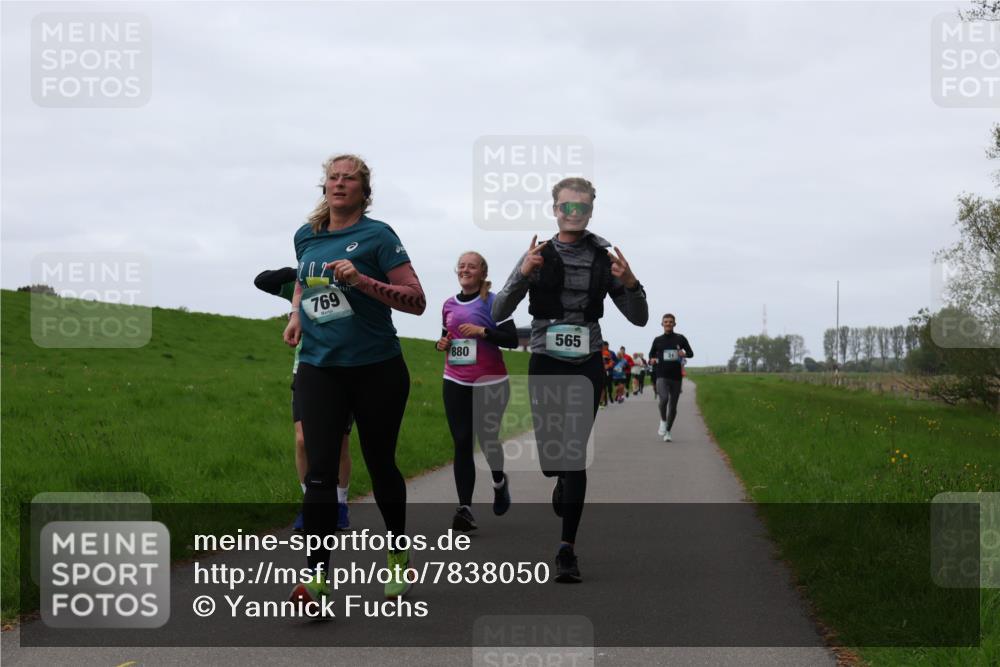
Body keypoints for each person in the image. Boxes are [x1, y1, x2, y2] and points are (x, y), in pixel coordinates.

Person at [284, 154, 426, 607]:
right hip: (319, 367)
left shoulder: (379, 236)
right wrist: (296, 315)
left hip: (376, 367)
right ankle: (317, 578)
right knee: (320, 472)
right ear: (324, 186)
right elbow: (304, 282)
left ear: (364, 191)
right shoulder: (306, 236)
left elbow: (417, 301)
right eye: (333, 177)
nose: (339, 183)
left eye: (349, 179)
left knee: (380, 464)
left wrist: (362, 280)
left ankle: (398, 554)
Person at [493, 176, 648, 583]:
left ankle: (567, 549)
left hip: (586, 363)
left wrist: (631, 284)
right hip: (546, 360)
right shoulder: (538, 254)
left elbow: (639, 318)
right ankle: (559, 476)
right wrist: (523, 273)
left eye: (582, 207)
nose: (573, 213)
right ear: (555, 210)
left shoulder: (604, 259)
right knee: (553, 459)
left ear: (591, 211)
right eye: (567, 206)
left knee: (574, 455)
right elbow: (497, 311)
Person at [254, 267, 352, 532]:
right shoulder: (303, 283)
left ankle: (340, 505)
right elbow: (262, 281)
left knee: (340, 443)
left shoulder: (347, 277)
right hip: (307, 368)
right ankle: (311, 505)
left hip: (345, 367)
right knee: (302, 440)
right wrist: (307, 268)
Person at [435, 252, 519, 532]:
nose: (465, 269)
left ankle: (499, 482)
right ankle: (465, 508)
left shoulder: (494, 302)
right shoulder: (448, 304)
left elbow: (512, 339)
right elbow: (446, 337)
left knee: (488, 439)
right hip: (455, 380)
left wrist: (483, 332)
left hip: (490, 382)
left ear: (483, 272)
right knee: (462, 441)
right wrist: (442, 344)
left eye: (471, 266)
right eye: (461, 266)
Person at [648, 313, 694, 442]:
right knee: (664, 399)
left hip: (676, 376)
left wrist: (684, 354)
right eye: (666, 322)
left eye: (670, 322)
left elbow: (691, 353)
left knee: (673, 407)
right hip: (661, 375)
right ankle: (663, 421)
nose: (668, 323)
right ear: (662, 324)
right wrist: (651, 360)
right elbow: (651, 355)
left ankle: (668, 431)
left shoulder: (680, 338)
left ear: (674, 324)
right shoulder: (658, 340)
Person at [600, 342, 616, 407]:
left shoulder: (608, 353)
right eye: (603, 346)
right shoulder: (597, 352)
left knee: (608, 386)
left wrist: (609, 365)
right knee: (602, 386)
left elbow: (612, 361)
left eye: (605, 346)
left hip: (608, 372)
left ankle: (608, 397)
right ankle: (603, 401)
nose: (604, 347)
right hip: (600, 372)